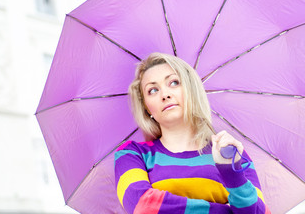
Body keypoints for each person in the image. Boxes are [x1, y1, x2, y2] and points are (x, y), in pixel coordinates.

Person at [114, 53, 270, 213]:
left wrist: (231, 173)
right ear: (147, 108)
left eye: (174, 82)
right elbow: (143, 206)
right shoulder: (131, 154)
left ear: (191, 90)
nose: (165, 95)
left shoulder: (232, 155)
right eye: (153, 90)